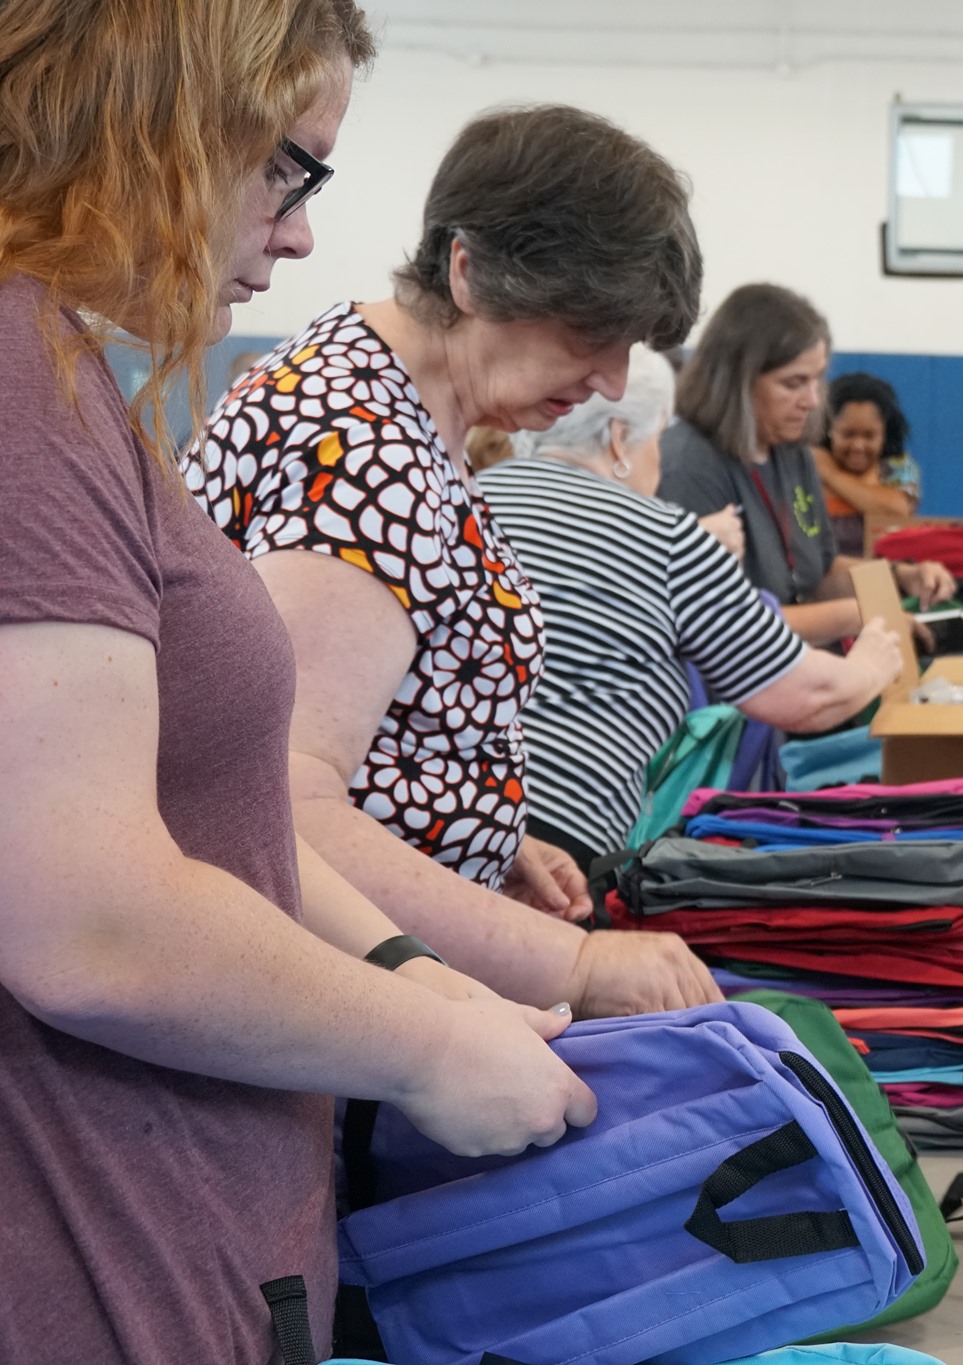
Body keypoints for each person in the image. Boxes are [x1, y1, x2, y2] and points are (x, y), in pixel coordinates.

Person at [0, 5, 594, 1360]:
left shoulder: (61, 372)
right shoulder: (17, 390)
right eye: (288, 166)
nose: (301, 228)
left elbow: (211, 804)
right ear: (152, 121)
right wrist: (425, 1049)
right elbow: (89, 922)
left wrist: (413, 974)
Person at [185, 104, 724, 1015]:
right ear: (470, 272)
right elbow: (286, 811)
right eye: (589, 333)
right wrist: (574, 966)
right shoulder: (362, 451)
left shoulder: (394, 405)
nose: (612, 382)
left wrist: (476, 825)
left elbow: (370, 727)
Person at [481, 346, 904, 871]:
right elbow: (804, 697)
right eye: (658, 437)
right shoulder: (664, 536)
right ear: (619, 438)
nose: (661, 457)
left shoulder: (470, 496)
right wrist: (871, 662)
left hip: (432, 814)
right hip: (555, 842)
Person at [657, 283, 956, 645]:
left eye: (817, 379)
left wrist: (900, 577)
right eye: (794, 383)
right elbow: (726, 626)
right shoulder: (690, 467)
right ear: (738, 382)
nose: (813, 401)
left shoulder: (793, 450)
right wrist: (858, 615)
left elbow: (822, 573)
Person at [815, 370, 923, 557]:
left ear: (885, 434)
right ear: (828, 429)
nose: (858, 446)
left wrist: (831, 475)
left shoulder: (900, 465)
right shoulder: (809, 458)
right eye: (848, 434)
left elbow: (898, 510)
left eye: (869, 436)